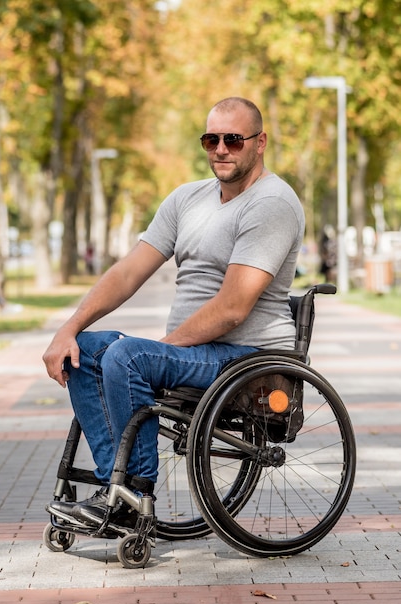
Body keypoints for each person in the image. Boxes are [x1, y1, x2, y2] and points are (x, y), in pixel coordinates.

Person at [44, 96, 305, 529]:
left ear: (260, 143)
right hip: (197, 353)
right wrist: (68, 328)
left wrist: (153, 352)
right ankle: (117, 488)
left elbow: (232, 309)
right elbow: (129, 272)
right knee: (87, 349)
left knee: (127, 357)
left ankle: (134, 495)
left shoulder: (272, 203)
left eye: (234, 140)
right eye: (211, 139)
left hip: (245, 356)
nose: (220, 149)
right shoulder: (187, 199)